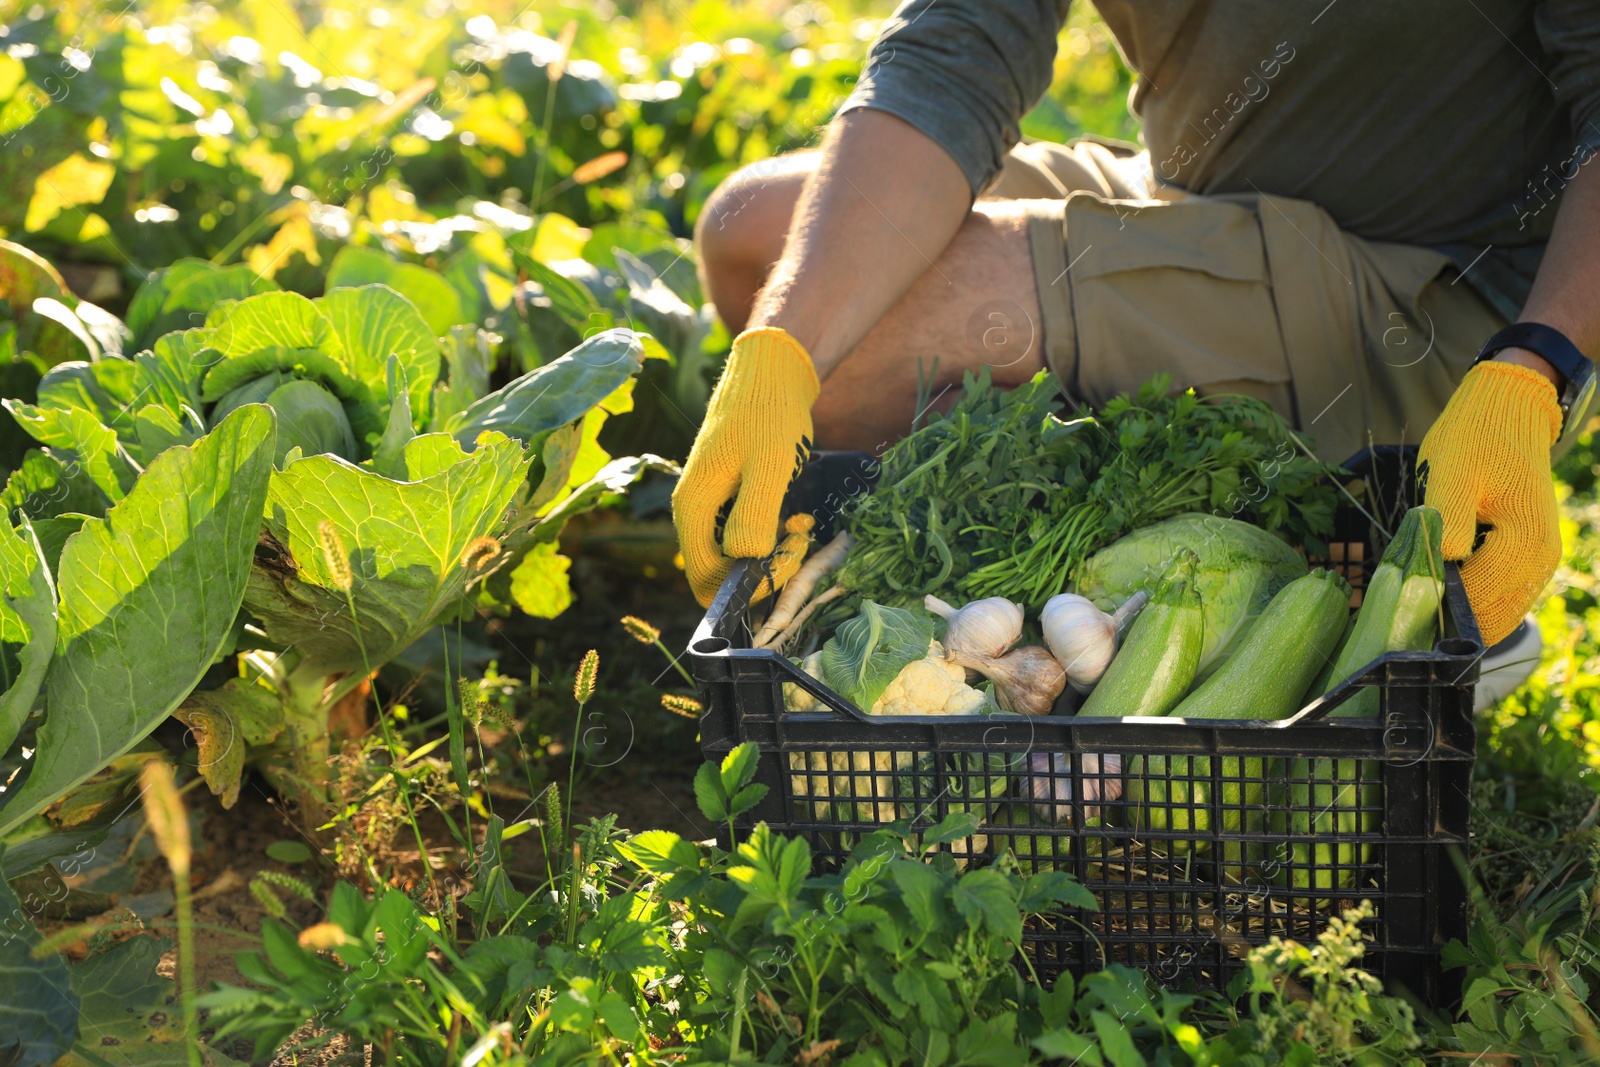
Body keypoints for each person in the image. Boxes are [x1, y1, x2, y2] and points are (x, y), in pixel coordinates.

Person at [671, 0, 1600, 656]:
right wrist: (779, 352)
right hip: (1200, 201)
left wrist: (1537, 364)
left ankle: (1370, 596)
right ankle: (1117, 582)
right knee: (756, 237)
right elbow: (952, 52)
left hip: (1430, 299)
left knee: (870, 346)